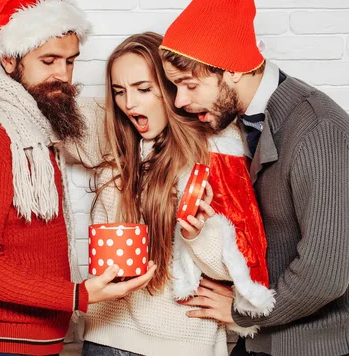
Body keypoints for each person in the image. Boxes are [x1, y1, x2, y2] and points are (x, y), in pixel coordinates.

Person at [0, 0, 155, 356]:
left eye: (71, 60)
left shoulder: (36, 123)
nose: (63, 74)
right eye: (48, 61)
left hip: (30, 345)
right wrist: (79, 295)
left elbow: (111, 126)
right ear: (10, 59)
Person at [160, 0, 349, 356]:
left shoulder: (317, 129)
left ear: (231, 69)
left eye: (189, 85)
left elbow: (325, 273)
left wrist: (241, 310)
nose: (180, 101)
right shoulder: (240, 124)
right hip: (262, 340)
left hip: (310, 347)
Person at [70, 32, 272, 355]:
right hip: (107, 339)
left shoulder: (213, 151)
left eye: (143, 89)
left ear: (171, 90)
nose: (129, 103)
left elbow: (235, 268)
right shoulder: (114, 136)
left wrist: (197, 235)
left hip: (183, 346)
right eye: (119, 92)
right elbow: (44, 109)